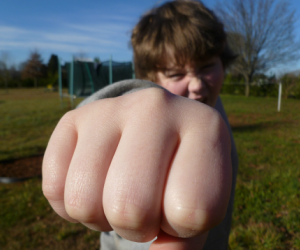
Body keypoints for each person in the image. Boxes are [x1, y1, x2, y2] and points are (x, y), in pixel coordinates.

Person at [42, 0, 238, 249]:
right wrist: (121, 104)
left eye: (208, 66)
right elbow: (143, 102)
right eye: (176, 74)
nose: (197, 84)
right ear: (152, 77)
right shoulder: (157, 94)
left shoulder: (211, 104)